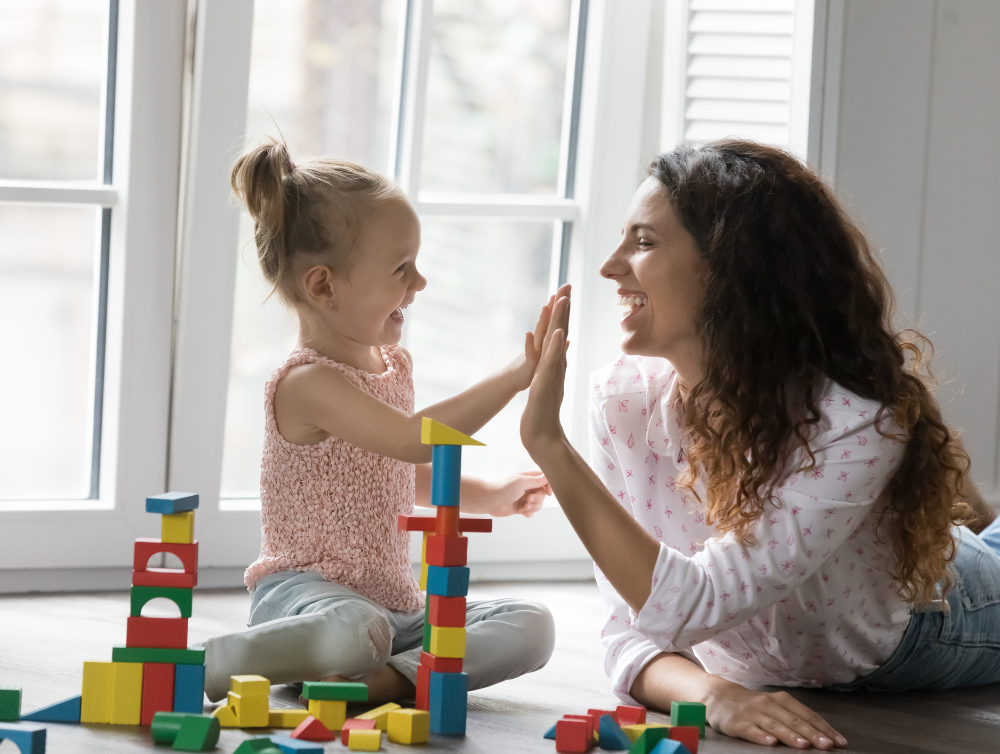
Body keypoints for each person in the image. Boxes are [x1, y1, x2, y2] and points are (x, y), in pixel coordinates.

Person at [519, 140, 1000, 750]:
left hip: (939, 618)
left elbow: (691, 605)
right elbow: (631, 627)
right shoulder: (622, 398)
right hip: (800, 642)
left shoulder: (854, 419)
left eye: (642, 243)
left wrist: (547, 444)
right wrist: (713, 694)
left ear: (731, 267)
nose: (610, 266)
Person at [199, 137, 557, 704]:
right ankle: (207, 666)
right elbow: (415, 442)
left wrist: (491, 496)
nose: (418, 285)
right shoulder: (306, 383)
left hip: (393, 613)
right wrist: (516, 376)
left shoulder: (393, 367)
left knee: (532, 624)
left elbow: (389, 473)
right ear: (324, 285)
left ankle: (387, 680)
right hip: (307, 596)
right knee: (351, 630)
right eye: (400, 269)